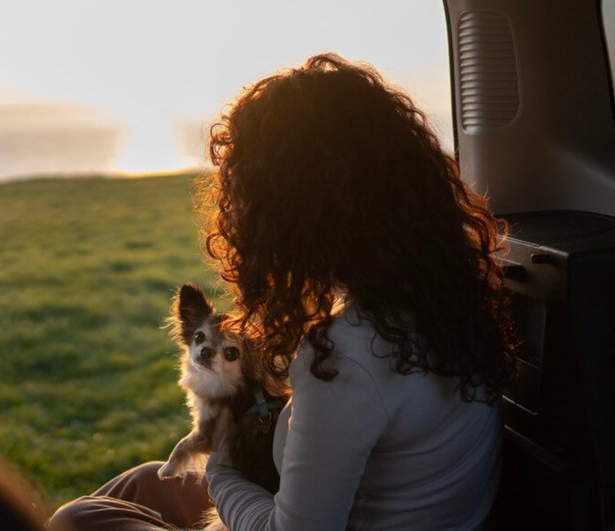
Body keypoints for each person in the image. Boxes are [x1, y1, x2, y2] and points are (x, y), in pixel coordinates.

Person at [48, 53, 516, 531]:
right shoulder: (442, 303)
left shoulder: (347, 355)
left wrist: (223, 467)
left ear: (290, 215)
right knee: (146, 481)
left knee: (79, 518)